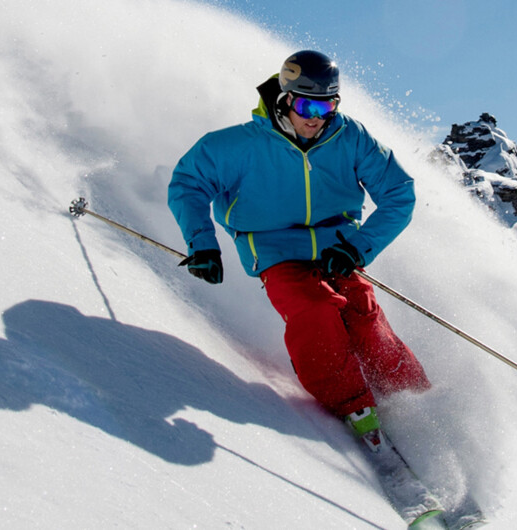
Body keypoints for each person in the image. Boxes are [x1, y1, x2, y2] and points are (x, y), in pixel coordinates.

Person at [168, 50, 430, 451]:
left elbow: (399, 193)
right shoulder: (241, 144)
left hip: (337, 248)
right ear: (285, 97)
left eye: (327, 106)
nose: (316, 117)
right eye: (307, 104)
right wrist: (202, 242)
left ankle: (413, 395)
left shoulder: (350, 137)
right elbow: (189, 182)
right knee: (315, 307)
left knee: (360, 306)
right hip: (273, 248)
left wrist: (358, 248)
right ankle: (353, 406)